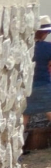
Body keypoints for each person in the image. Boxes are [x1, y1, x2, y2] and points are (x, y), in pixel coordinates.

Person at [23, 16, 51, 152]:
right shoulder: (48, 48)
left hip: (27, 87)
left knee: (24, 118)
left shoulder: (26, 46)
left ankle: (19, 148)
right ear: (45, 33)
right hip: (44, 84)